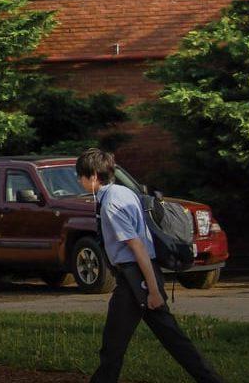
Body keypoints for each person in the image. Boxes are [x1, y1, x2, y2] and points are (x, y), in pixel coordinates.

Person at [80, 149, 224, 383]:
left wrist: (154, 290)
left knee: (123, 342)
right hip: (135, 277)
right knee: (130, 340)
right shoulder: (123, 192)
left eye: (81, 176)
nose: (80, 181)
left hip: (136, 278)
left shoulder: (111, 204)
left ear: (94, 176)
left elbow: (138, 247)